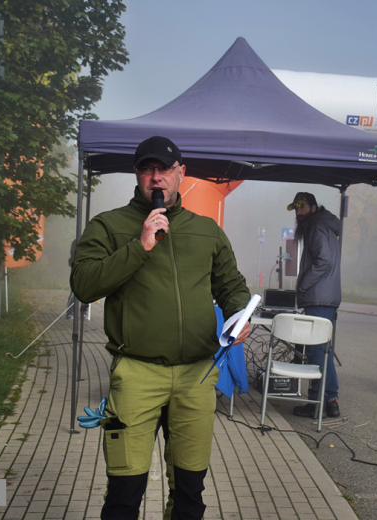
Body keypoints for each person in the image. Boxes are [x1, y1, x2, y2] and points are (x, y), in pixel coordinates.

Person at [70, 136, 251, 519]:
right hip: (137, 372)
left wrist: (240, 314)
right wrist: (140, 245)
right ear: (136, 175)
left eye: (165, 169)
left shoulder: (207, 231)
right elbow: (84, 286)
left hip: (197, 376)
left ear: (180, 173)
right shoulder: (109, 225)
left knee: (189, 492)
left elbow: (232, 286)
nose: (157, 178)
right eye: (148, 169)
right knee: (124, 492)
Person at [287, 192, 342, 419]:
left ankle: (317, 402)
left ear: (312, 207)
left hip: (319, 296)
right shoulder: (321, 224)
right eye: (296, 209)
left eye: (302, 208)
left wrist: (303, 285)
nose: (299, 213)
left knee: (316, 350)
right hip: (324, 296)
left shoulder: (317, 226)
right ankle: (330, 401)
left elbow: (324, 260)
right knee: (322, 350)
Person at [66, 238, 89, 319]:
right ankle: (70, 312)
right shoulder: (77, 241)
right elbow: (73, 255)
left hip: (87, 269)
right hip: (77, 269)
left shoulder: (92, 241)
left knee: (86, 291)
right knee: (74, 291)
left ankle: (83, 312)